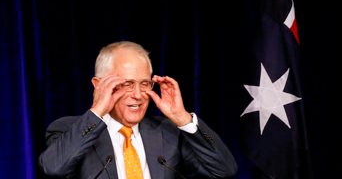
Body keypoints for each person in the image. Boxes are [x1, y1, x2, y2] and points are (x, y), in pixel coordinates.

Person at [38, 41, 237, 179]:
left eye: (144, 83)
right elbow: (53, 169)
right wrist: (97, 110)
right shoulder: (68, 129)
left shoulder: (168, 132)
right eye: (127, 84)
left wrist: (183, 119)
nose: (138, 94)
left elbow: (224, 171)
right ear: (99, 85)